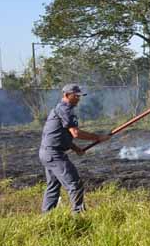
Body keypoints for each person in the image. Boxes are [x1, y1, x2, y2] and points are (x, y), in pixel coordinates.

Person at [39, 84, 110, 213]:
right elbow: (75, 133)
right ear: (66, 95)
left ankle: (47, 217)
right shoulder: (65, 109)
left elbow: (61, 134)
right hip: (54, 154)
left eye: (79, 96)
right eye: (75, 96)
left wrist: (76, 148)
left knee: (53, 186)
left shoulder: (62, 109)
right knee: (75, 184)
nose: (78, 98)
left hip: (48, 153)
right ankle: (79, 216)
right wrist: (98, 137)